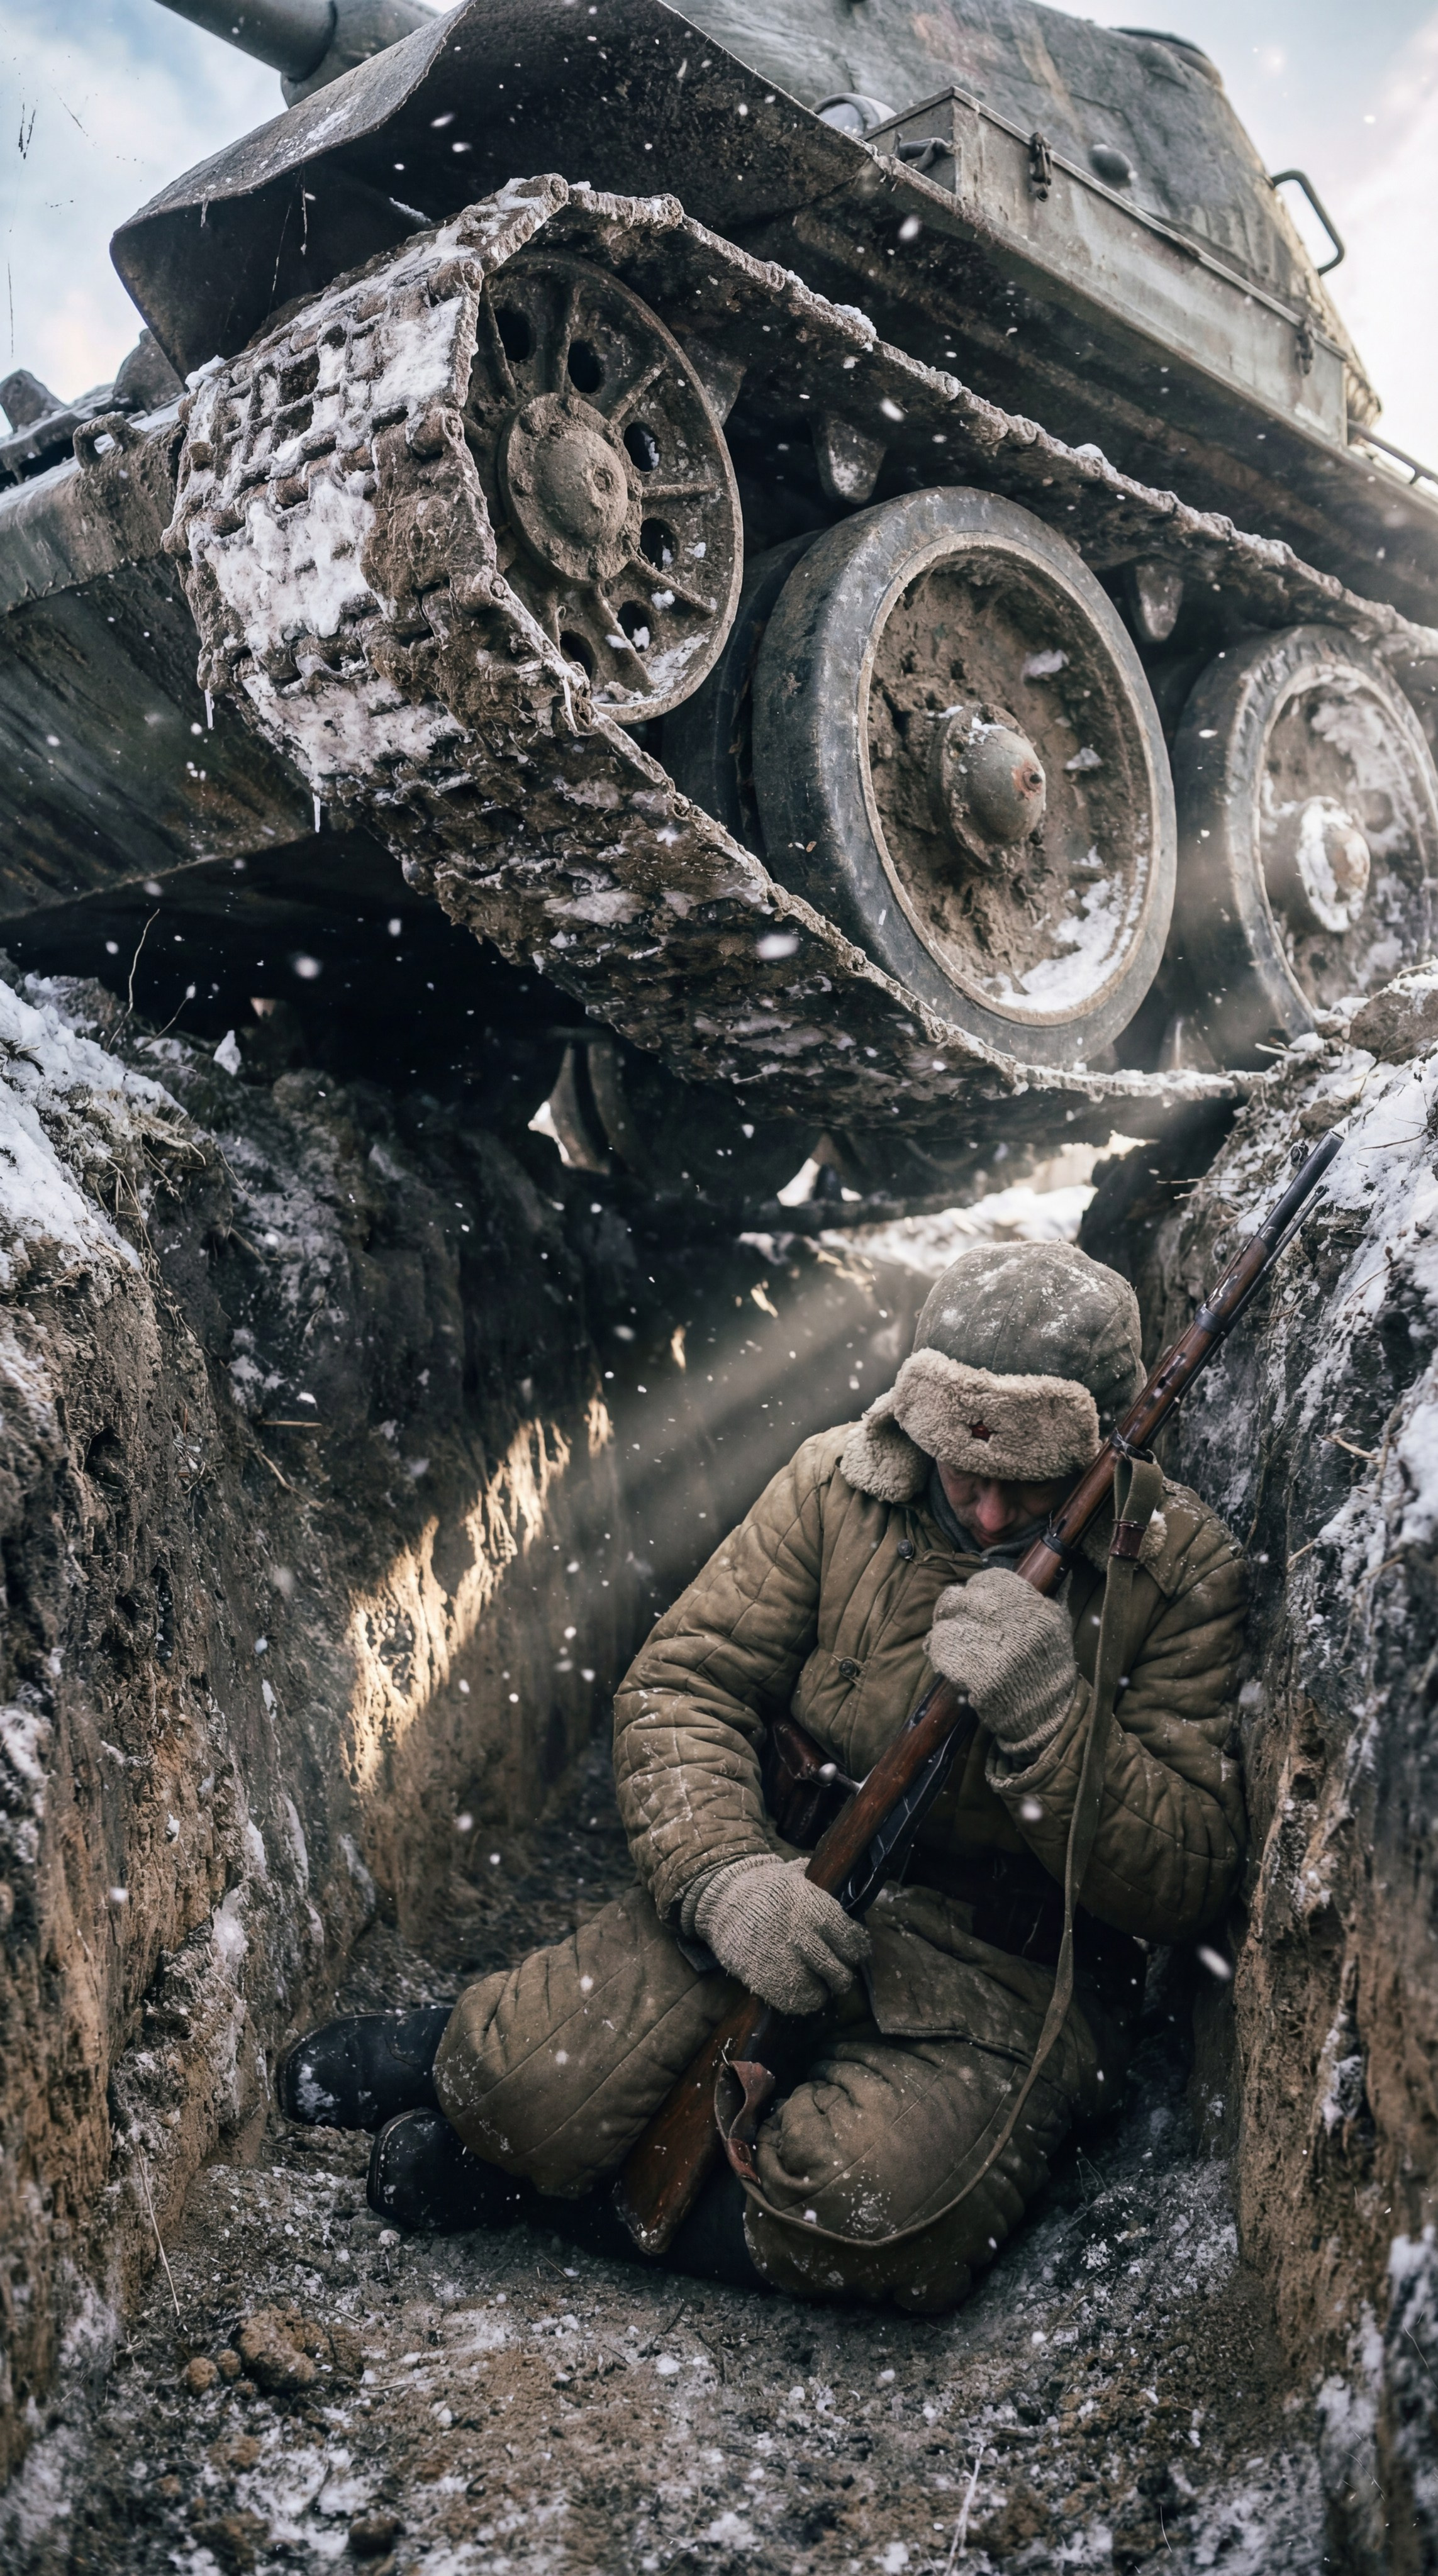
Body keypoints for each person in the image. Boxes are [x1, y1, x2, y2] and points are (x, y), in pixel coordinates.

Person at [279, 1241, 1248, 2309]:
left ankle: (545, 2201)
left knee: (882, 2218)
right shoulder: (835, 1484)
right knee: (515, 2088)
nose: (982, 1516)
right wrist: (725, 1882)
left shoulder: (1184, 1571)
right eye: (963, 1473)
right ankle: (456, 2054)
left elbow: (1188, 1876)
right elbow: (682, 1686)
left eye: (1024, 1486)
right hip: (786, 1885)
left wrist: (1052, 1721)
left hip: (1000, 1978)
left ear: (1104, 1446)